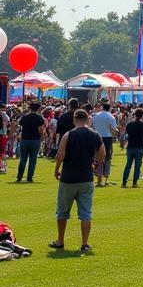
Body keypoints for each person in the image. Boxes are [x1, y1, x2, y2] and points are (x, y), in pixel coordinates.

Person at [51, 108, 104, 252]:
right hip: (86, 178)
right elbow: (102, 155)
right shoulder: (95, 135)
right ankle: (84, 243)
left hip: (68, 178)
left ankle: (60, 240)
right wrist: (95, 165)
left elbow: (60, 155)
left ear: (74, 119)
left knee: (62, 212)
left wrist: (56, 170)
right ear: (88, 119)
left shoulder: (68, 135)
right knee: (85, 213)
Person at [15, 101, 44, 183]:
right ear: (38, 109)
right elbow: (41, 129)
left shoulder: (25, 117)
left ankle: (19, 176)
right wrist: (42, 136)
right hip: (35, 139)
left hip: (25, 139)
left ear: (30, 108)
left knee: (23, 159)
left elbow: (19, 123)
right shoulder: (39, 118)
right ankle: (29, 177)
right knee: (33, 159)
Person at [90, 102, 118, 188]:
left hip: (96, 137)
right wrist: (116, 132)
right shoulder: (110, 117)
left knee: (96, 157)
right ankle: (105, 175)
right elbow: (114, 129)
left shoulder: (95, 116)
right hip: (106, 138)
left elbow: (92, 127)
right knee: (107, 157)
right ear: (109, 108)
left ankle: (97, 174)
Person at [122, 108, 143, 188]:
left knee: (128, 165)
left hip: (130, 146)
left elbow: (124, 134)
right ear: (142, 115)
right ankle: (134, 183)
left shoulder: (129, 124)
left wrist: (123, 143)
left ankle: (124, 182)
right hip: (139, 146)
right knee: (137, 166)